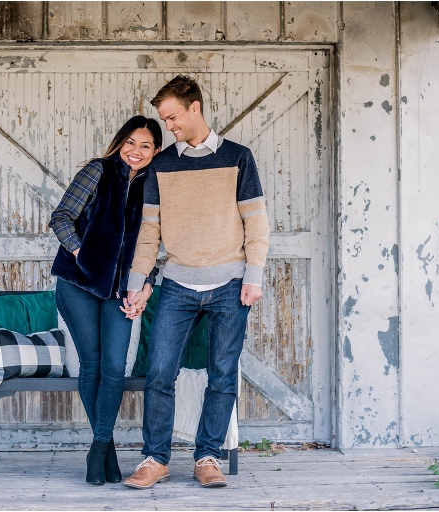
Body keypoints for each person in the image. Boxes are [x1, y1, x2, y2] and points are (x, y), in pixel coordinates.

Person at [122, 76, 270, 489]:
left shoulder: (239, 158)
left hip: (230, 283)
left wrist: (254, 276)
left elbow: (256, 221)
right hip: (177, 284)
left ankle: (207, 456)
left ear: (195, 108)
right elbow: (148, 233)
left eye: (172, 117)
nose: (168, 126)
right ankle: (155, 460)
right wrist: (138, 282)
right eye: (163, 119)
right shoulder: (163, 165)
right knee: (159, 373)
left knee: (221, 374)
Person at [49, 116, 161, 485]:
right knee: (92, 364)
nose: (136, 151)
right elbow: (62, 217)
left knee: (115, 367)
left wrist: (145, 287)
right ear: (119, 143)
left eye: (145, 145)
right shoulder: (98, 172)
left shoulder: (157, 188)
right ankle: (104, 447)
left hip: (123, 292)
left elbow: (160, 246)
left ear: (156, 151)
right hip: (77, 284)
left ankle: (99, 447)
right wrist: (84, 253)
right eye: (130, 142)